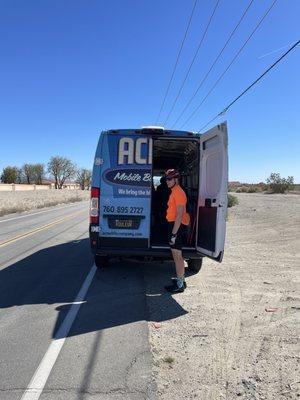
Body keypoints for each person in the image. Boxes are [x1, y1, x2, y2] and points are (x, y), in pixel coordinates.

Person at [164, 169, 190, 293]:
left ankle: (180, 285)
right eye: (166, 179)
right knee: (176, 255)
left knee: (178, 256)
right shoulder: (174, 191)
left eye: (169, 179)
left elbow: (179, 215)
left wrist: (174, 233)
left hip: (177, 226)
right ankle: (181, 280)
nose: (167, 181)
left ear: (176, 179)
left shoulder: (178, 192)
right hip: (174, 225)